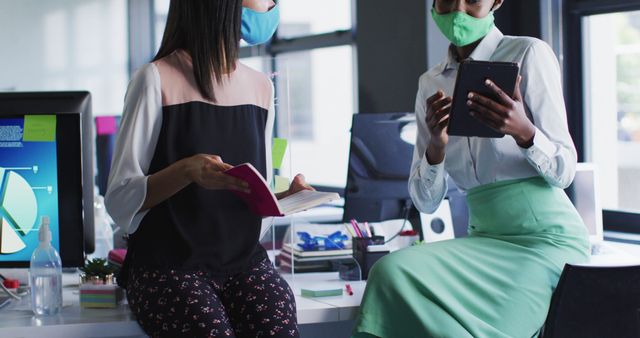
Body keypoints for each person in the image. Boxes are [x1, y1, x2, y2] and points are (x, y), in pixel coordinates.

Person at [352, 0, 590, 337]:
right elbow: (426, 202)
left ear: (496, 1)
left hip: (544, 242)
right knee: (390, 272)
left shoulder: (528, 54)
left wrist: (524, 132)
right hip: (484, 237)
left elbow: (565, 170)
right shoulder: (430, 83)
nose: (458, 10)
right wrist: (436, 145)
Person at [105, 1, 310, 337]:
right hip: (167, 266)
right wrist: (186, 171)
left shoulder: (261, 87)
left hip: (244, 263)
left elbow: (252, 199)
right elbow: (119, 200)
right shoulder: (154, 79)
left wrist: (285, 198)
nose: (271, 6)